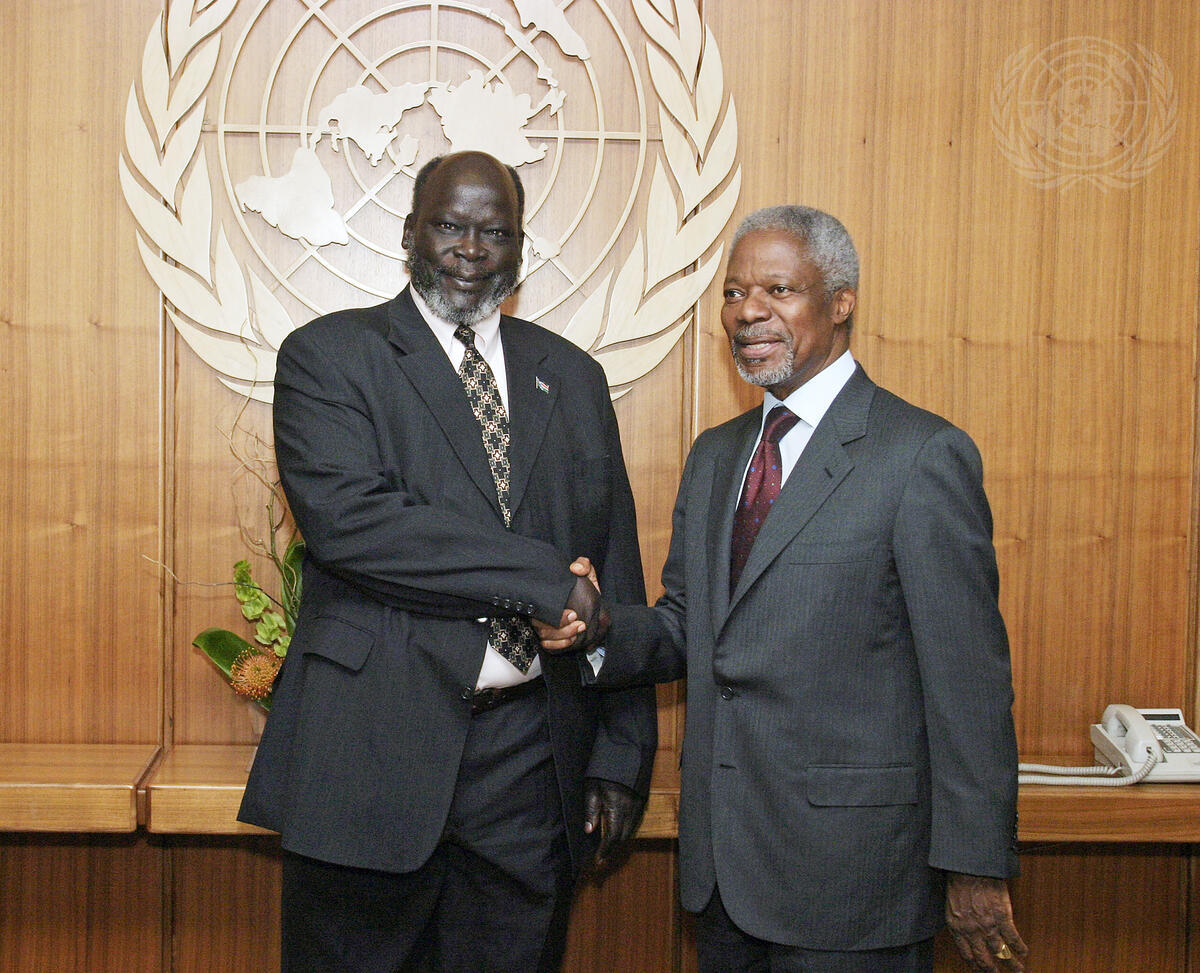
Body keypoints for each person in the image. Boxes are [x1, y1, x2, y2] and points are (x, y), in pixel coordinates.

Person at [537, 205, 1027, 972]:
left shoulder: (920, 455)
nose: (748, 311)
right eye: (734, 293)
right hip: (724, 875)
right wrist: (595, 627)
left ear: (841, 302)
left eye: (778, 289)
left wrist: (975, 863)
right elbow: (690, 625)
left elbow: (968, 682)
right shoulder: (716, 456)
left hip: (855, 882)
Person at [239, 150, 657, 973]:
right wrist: (543, 580)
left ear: (521, 247)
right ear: (409, 235)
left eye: (495, 232)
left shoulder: (573, 377)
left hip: (530, 768)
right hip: (370, 755)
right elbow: (356, 525)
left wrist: (621, 753)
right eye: (450, 226)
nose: (471, 249)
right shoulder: (329, 355)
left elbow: (616, 562)